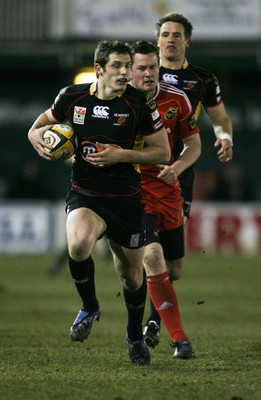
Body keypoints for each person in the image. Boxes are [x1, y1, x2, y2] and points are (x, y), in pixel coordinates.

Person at [28, 40, 171, 366]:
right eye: (118, 66)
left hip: (126, 200)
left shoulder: (140, 104)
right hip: (86, 194)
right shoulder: (71, 97)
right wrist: (34, 136)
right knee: (78, 245)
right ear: (99, 70)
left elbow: (162, 151)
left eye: (127, 66)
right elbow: (36, 128)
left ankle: (134, 335)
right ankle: (90, 306)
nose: (125, 72)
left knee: (132, 277)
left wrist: (122, 155)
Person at [143, 12, 234, 345]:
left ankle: (151, 308)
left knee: (174, 264)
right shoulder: (143, 72)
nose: (170, 39)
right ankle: (152, 323)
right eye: (165, 34)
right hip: (140, 171)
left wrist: (225, 138)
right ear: (157, 41)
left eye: (177, 35)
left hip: (179, 169)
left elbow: (220, 118)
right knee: (148, 250)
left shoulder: (202, 79)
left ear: (187, 41)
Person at [130, 41, 201, 358]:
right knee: (153, 258)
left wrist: (177, 168)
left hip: (168, 192)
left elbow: (194, 145)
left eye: (153, 67)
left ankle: (154, 321)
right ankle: (181, 340)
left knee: (174, 269)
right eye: (141, 68)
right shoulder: (118, 101)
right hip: (132, 194)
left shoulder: (177, 99)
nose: (148, 73)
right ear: (130, 70)